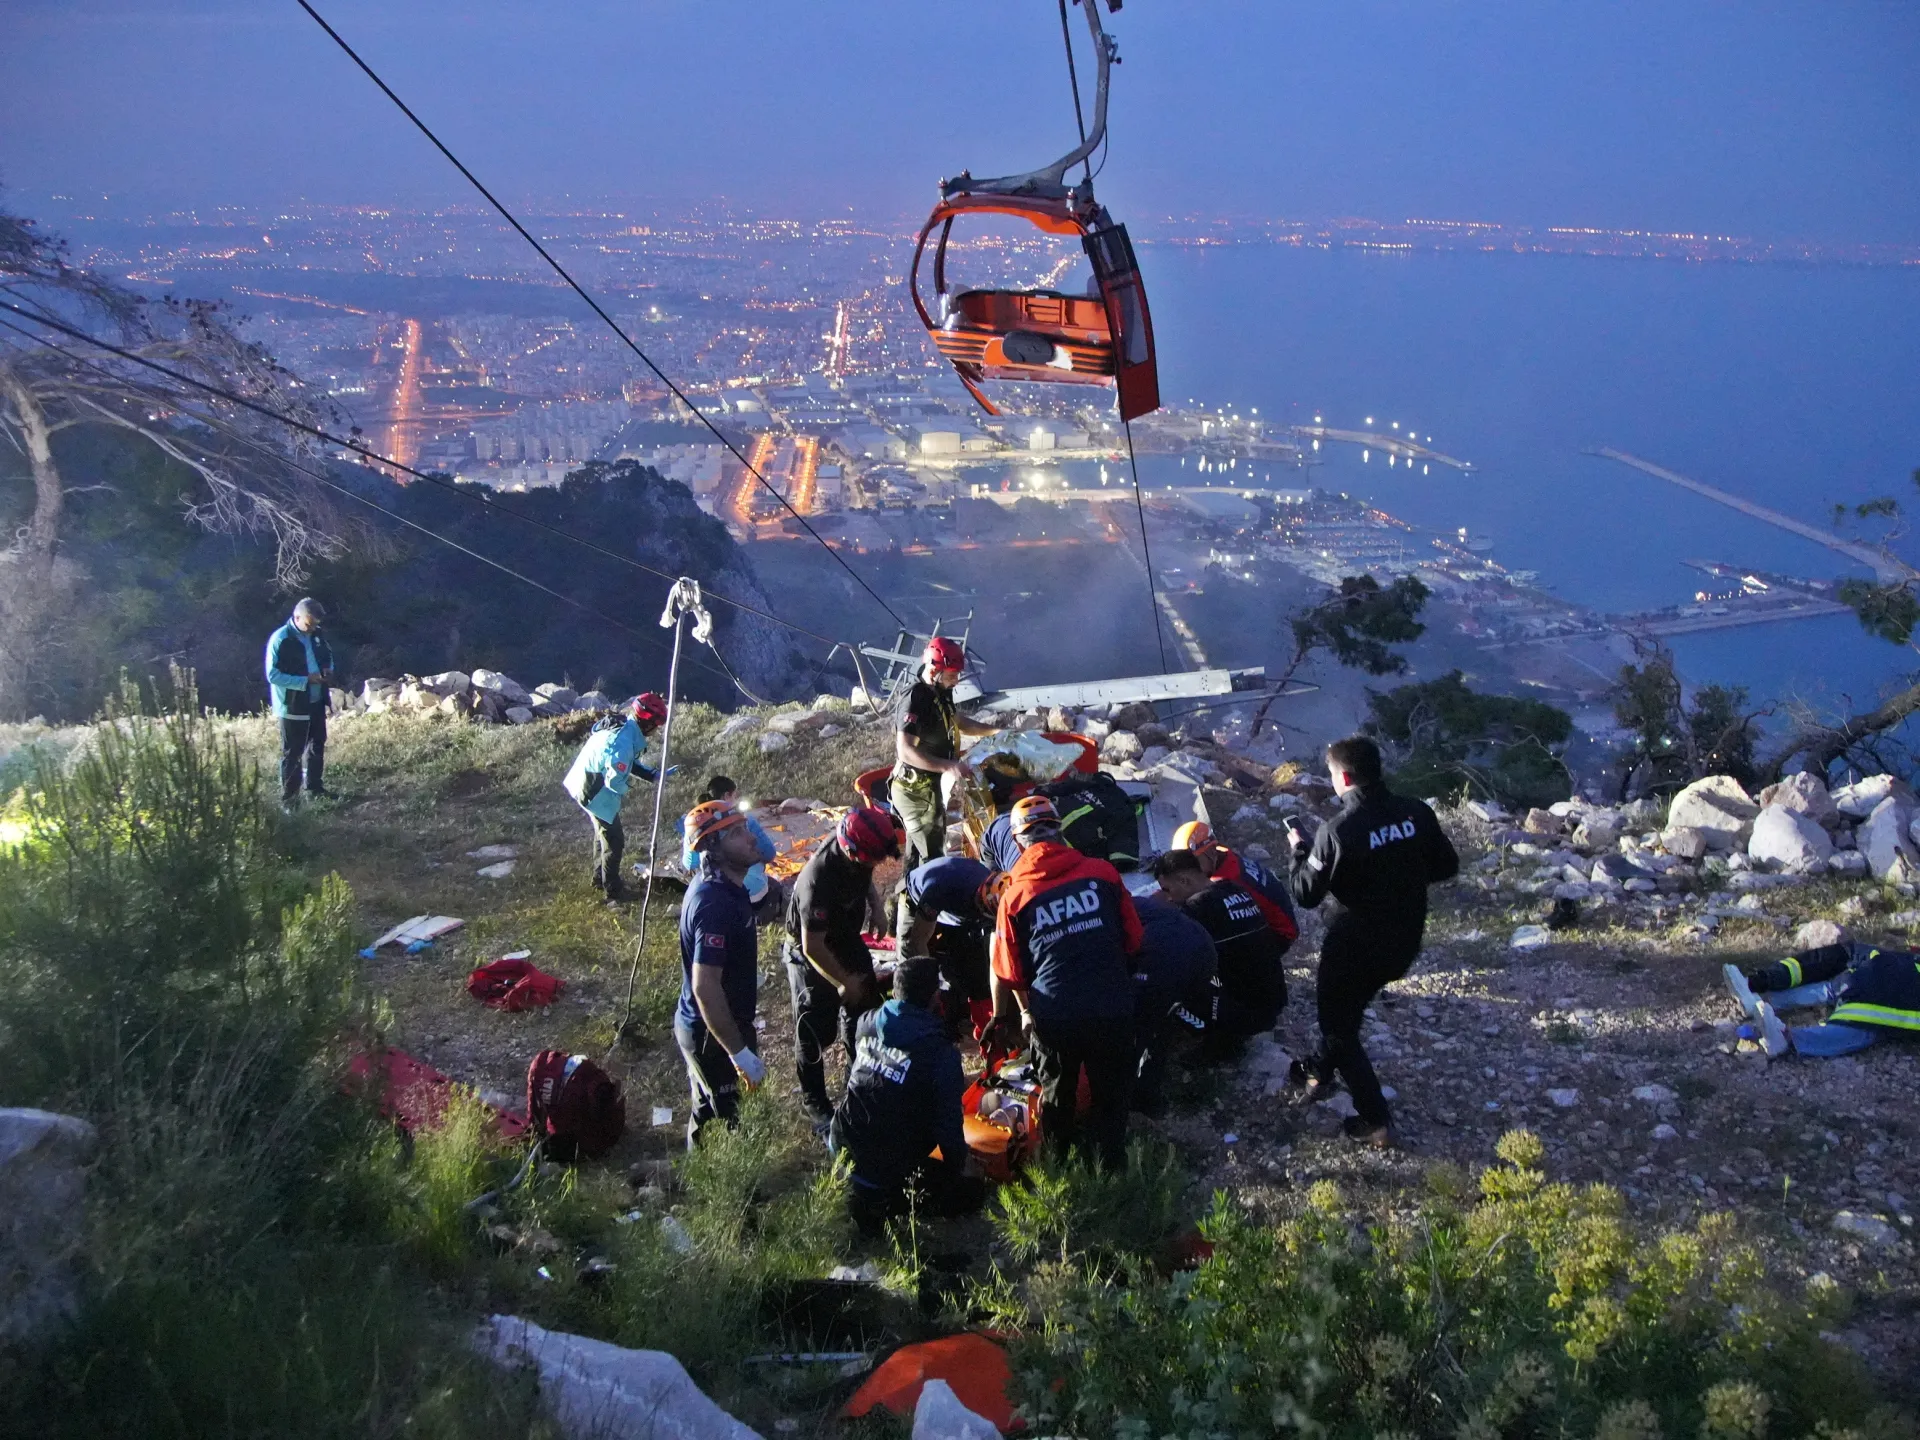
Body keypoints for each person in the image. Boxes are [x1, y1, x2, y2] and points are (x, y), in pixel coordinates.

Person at [1285, 735, 1459, 1146]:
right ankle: (1319, 1071)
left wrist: (1298, 853)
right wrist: (1401, 880)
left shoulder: (1337, 831)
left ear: (1343, 777)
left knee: (1338, 1028)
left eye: (1331, 776)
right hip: (1404, 940)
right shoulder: (1417, 812)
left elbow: (1306, 895)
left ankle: (1374, 1120)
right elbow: (1446, 865)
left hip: (1354, 944)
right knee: (1347, 1012)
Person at [991, 794, 1143, 1169]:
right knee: (1113, 1090)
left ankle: (1059, 1168)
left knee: (1058, 1094)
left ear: (1016, 841)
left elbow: (1010, 973)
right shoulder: (1103, 873)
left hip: (1056, 1015)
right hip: (1112, 1004)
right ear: (1060, 829)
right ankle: (1112, 1165)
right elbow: (1134, 940)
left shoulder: (1013, 897)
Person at [829, 955, 985, 1235]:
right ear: (934, 997)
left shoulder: (866, 1022)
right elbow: (949, 1130)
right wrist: (960, 1169)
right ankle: (883, 1203)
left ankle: (857, 1189)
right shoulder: (940, 1055)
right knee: (974, 1193)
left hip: (842, 1146)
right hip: (887, 1169)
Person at [784, 806, 902, 1130]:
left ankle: (858, 1085)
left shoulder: (862, 848)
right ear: (851, 852)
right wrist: (843, 981)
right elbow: (812, 947)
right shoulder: (818, 880)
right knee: (814, 1031)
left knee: (864, 1009)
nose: (875, 865)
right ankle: (815, 1104)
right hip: (812, 951)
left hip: (846, 936)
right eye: (871, 860)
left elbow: (864, 878)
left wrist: (877, 907)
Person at [674, 801, 771, 1145]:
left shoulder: (731, 886)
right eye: (735, 833)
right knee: (728, 1121)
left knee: (711, 1109)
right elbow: (705, 987)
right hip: (710, 1032)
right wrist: (738, 1052)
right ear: (713, 848)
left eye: (744, 827)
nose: (749, 837)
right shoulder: (713, 903)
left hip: (725, 1024)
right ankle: (734, 1195)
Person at [1147, 848, 1285, 1052]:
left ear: (1185, 881)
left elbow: (1166, 953)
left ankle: (1218, 1042)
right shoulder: (1234, 889)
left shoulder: (1197, 909)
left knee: (1162, 981)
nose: (1167, 897)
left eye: (1167, 889)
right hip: (1273, 1001)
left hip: (1245, 1015)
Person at [892, 636, 997, 877]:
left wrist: (992, 731)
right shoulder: (914, 699)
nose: (956, 680)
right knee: (932, 855)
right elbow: (905, 750)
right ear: (934, 670)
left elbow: (956, 720)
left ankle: (908, 895)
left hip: (934, 783)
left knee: (917, 852)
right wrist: (948, 766)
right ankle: (928, 902)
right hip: (915, 790)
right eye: (952, 674)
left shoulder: (942, 690)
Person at [1724, 943, 1920, 1059]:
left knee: (1836, 997)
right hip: (1871, 1003)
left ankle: (1769, 1012)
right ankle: (1779, 1028)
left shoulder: (1901, 957)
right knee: (1858, 1027)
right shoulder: (1904, 959)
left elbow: (1840, 954)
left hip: (1864, 994)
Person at [561, 692, 668, 902]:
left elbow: (626, 762)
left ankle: (599, 878)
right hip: (594, 792)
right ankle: (613, 891)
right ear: (648, 724)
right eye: (657, 726)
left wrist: (650, 774)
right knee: (614, 840)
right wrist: (625, 790)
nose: (657, 731)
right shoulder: (624, 743)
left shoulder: (623, 727)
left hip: (580, 781)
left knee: (602, 834)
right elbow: (614, 780)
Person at [1128, 893, 1219, 1114]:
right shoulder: (1130, 901)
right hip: (1204, 949)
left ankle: (1143, 1100)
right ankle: (1206, 1031)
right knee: (1165, 1011)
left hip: (1168, 960)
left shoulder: (1101, 919)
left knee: (1143, 1028)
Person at [900, 854, 1003, 1041]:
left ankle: (967, 1014)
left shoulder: (995, 896)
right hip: (918, 901)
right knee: (913, 973)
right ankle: (926, 1032)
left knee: (974, 963)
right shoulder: (938, 889)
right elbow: (918, 943)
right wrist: (933, 991)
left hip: (958, 914)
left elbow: (997, 955)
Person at [1170, 820, 1299, 946]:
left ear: (1211, 852)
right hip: (1277, 919)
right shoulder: (1223, 853)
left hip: (1280, 934)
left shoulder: (1228, 881)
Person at [265, 596, 337, 809]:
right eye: (309, 623)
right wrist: (304, 680)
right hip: (293, 705)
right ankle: (290, 800)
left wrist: (328, 669)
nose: (312, 628)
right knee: (293, 752)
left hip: (315, 700)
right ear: (297, 617)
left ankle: (315, 788)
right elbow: (273, 675)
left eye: (316, 624)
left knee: (317, 745)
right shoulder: (281, 639)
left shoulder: (317, 635)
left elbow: (327, 655)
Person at [681, 775, 777, 914]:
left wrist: (687, 836)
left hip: (713, 893)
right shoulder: (742, 819)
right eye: (735, 796)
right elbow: (769, 853)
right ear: (727, 796)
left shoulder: (698, 823)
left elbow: (690, 864)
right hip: (752, 894)